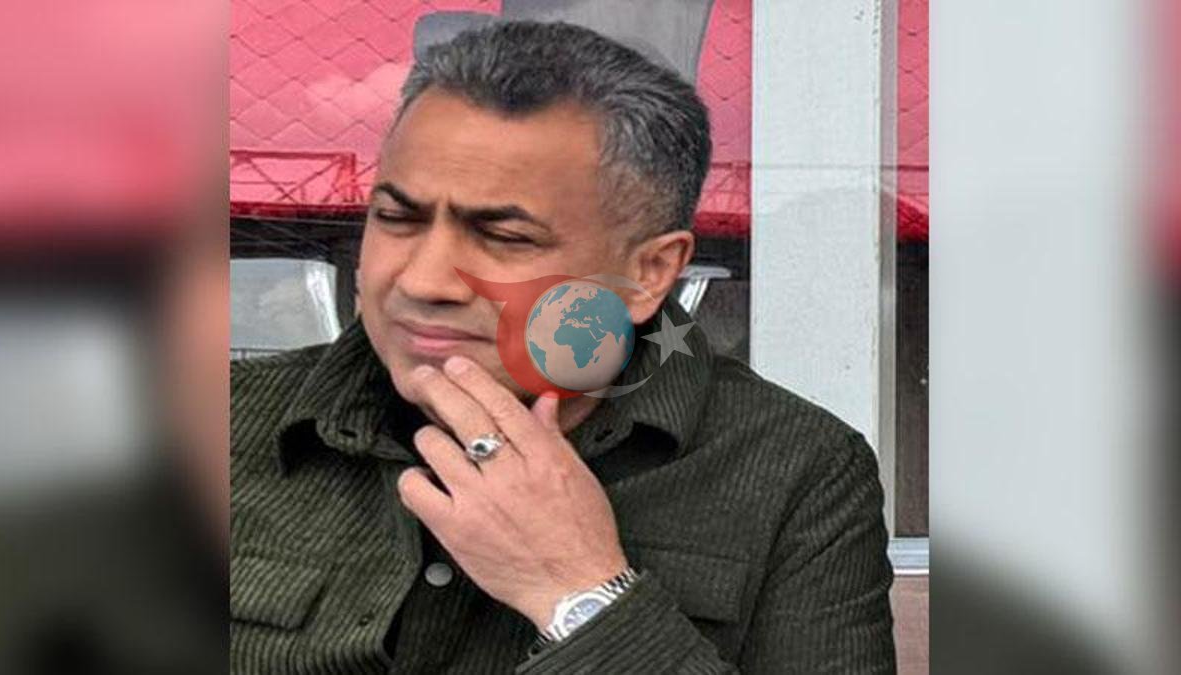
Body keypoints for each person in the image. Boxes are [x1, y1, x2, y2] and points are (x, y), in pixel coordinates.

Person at [231, 21, 895, 674]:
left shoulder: (795, 470)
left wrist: (581, 591)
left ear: (648, 273)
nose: (424, 281)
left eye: (505, 238)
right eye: (396, 218)